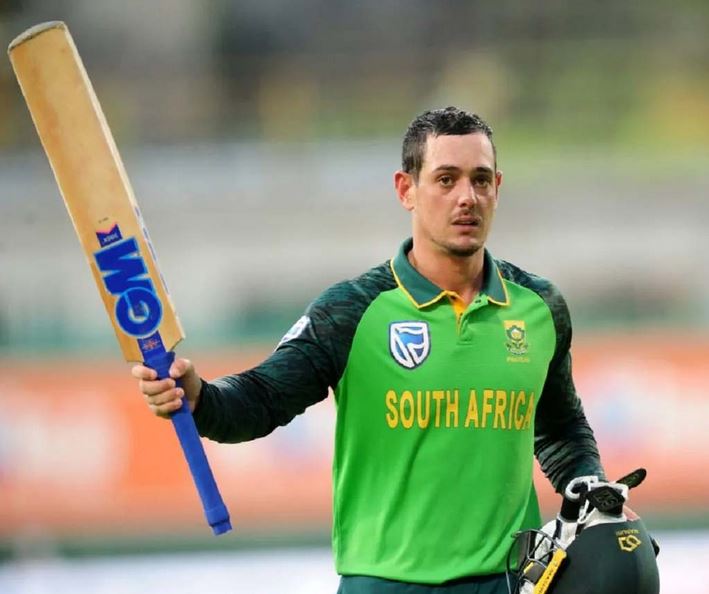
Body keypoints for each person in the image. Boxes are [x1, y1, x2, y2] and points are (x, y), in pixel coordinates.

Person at [132, 106, 605, 594]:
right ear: (406, 189)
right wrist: (200, 397)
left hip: (506, 583)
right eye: (446, 180)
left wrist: (593, 490)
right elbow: (260, 399)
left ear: (497, 188)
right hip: (385, 584)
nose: (467, 197)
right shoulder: (352, 310)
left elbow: (560, 428)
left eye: (480, 180)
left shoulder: (538, 307)